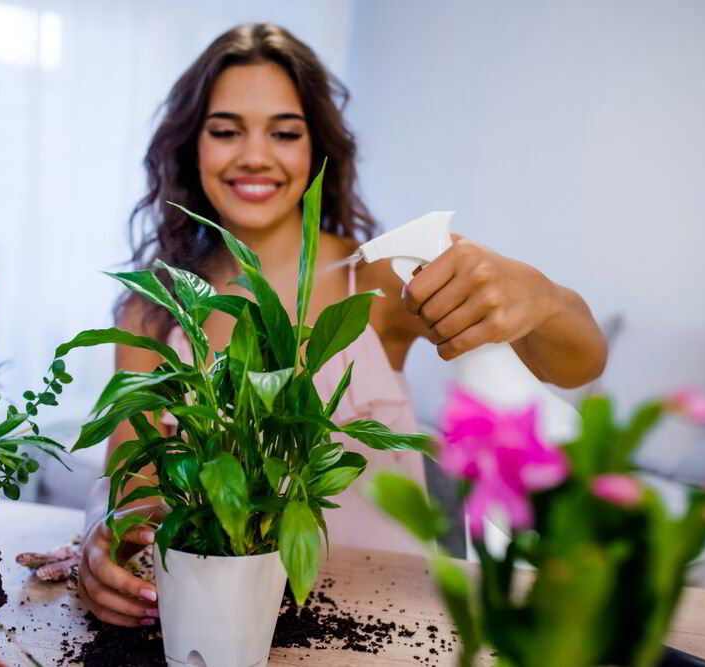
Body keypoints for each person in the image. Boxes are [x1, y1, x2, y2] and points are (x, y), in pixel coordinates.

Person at [76, 23, 608, 627]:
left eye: (284, 132)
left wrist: (540, 296)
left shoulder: (380, 281)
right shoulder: (152, 309)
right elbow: (131, 486)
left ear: (317, 148)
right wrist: (103, 533)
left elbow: (578, 364)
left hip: (391, 626)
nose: (254, 155)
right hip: (218, 624)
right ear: (190, 147)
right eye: (226, 131)